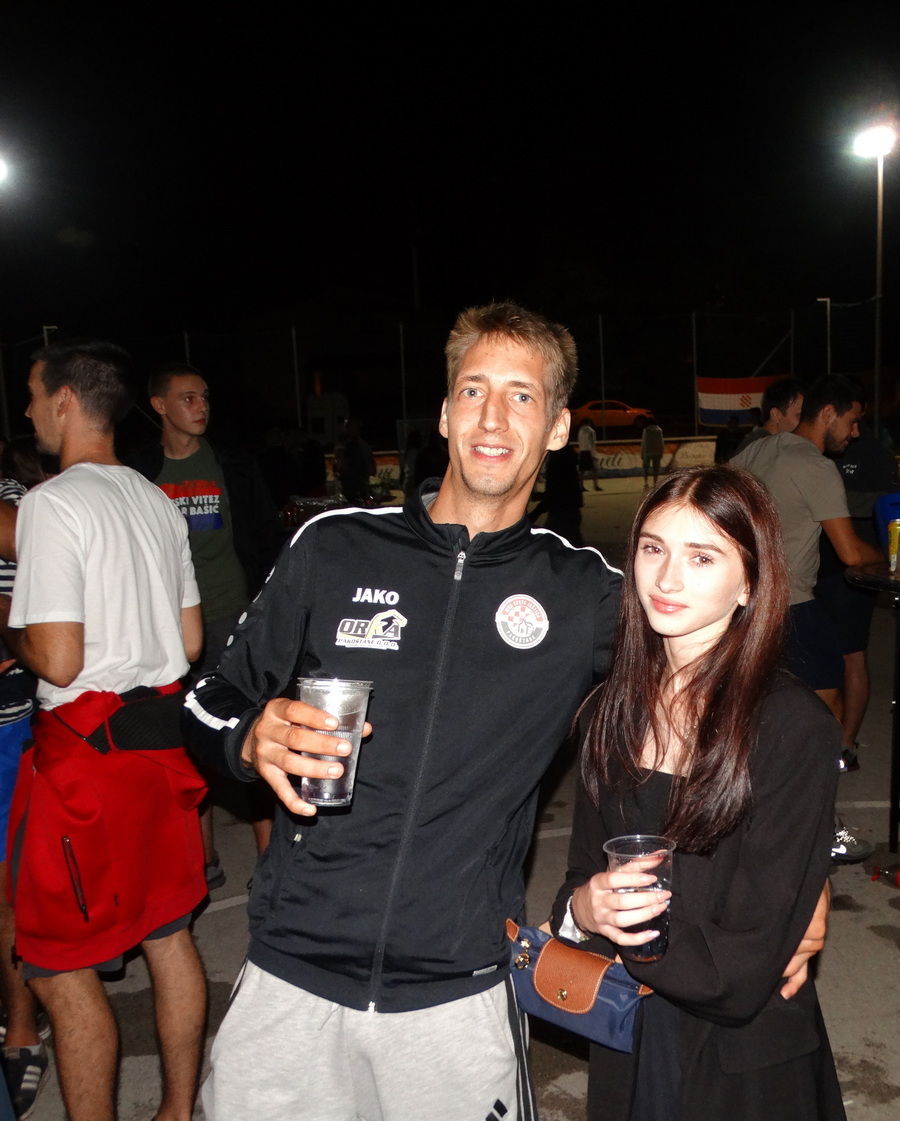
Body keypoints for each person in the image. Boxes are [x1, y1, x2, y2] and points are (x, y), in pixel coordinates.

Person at [184, 301, 624, 1120]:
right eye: (474, 390)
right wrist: (249, 738)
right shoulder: (334, 545)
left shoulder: (583, 592)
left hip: (456, 995)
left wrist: (786, 878)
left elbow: (724, 688)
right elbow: (208, 699)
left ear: (559, 427)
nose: (492, 418)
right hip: (291, 980)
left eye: (522, 396)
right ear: (446, 413)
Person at [553, 465, 844, 1121]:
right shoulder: (610, 711)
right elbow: (580, 874)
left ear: (750, 582)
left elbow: (740, 970)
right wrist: (581, 909)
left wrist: (610, 930)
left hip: (741, 1057)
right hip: (628, 1031)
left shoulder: (791, 727)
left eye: (702, 556)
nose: (667, 579)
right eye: (653, 548)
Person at [0, 340, 208, 1121]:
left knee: (58, 967)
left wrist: (10, 628)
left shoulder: (52, 503)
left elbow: (58, 658)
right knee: (168, 934)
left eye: (33, 392)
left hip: (85, 764)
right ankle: (177, 1110)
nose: (27, 408)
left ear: (64, 400)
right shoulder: (155, 500)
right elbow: (191, 641)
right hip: (159, 751)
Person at [129, 363, 281, 884]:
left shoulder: (231, 464)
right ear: (159, 406)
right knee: (183, 740)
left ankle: (267, 862)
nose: (201, 407)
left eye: (205, 397)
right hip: (166, 625)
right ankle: (203, 860)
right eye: (188, 398)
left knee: (247, 732)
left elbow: (265, 536)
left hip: (231, 614)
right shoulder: (139, 471)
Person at [733, 376, 883, 861]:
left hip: (744, 607)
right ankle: (820, 828)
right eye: (853, 421)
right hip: (792, 606)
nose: (855, 433)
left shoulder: (756, 452)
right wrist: (889, 557)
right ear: (829, 413)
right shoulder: (815, 465)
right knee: (822, 719)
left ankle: (751, 822)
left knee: (757, 718)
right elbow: (850, 552)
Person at [733, 377, 804, 456]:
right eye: (799, 415)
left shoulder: (759, 442)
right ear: (775, 414)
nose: (805, 422)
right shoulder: (765, 448)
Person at [640, 418, 665, 488]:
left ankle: (646, 483)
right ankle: (655, 483)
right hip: (657, 452)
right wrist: (661, 451)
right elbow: (661, 442)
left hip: (647, 452)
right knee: (656, 469)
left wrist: (642, 453)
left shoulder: (646, 430)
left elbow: (644, 442)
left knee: (645, 468)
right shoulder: (659, 430)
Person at [577, 418, 601, 490]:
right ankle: (595, 485)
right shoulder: (591, 431)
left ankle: (581, 485)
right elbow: (592, 443)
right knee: (595, 469)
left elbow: (579, 441)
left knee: (582, 470)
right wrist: (593, 454)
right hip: (588, 452)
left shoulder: (580, 431)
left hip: (582, 451)